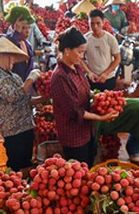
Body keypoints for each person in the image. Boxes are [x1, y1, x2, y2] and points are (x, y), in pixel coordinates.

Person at [50, 27, 118, 166]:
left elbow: (85, 92)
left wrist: (99, 97)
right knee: (80, 173)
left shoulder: (77, 68)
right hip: (73, 137)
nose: (82, 56)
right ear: (67, 50)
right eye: (80, 52)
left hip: (87, 131)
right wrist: (100, 118)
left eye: (83, 52)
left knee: (89, 166)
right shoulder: (60, 77)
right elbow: (75, 112)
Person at [0, 38, 43, 171]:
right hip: (13, 130)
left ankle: (24, 185)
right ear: (4, 55)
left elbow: (24, 99)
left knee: (26, 161)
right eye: (13, 58)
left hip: (25, 126)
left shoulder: (11, 75)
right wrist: (30, 79)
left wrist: (43, 98)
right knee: (16, 163)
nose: (14, 61)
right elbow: (13, 96)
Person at [83, 9, 121, 92]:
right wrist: (89, 72)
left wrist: (105, 74)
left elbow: (117, 59)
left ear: (103, 22)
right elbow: (80, 59)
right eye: (92, 24)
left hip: (108, 78)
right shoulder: (85, 39)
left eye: (98, 23)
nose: (95, 26)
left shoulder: (110, 39)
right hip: (91, 79)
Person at [0, 6, 36, 82]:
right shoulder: (3, 39)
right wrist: (17, 33)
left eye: (29, 28)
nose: (27, 31)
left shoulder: (28, 45)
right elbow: (10, 48)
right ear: (13, 27)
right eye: (23, 28)